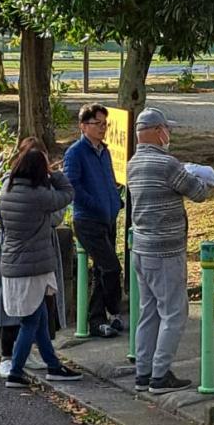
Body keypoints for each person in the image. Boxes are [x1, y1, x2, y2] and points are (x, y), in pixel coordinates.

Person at [127, 107, 214, 395]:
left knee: (148, 312)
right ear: (156, 131)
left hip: (141, 247)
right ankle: (160, 374)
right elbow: (199, 193)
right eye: (167, 129)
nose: (170, 135)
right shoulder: (167, 164)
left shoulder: (133, 163)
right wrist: (195, 173)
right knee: (174, 313)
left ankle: (143, 372)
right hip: (165, 250)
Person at [0, 142, 82, 389]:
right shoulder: (38, 195)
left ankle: (53, 365)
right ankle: (15, 371)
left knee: (41, 317)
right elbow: (68, 193)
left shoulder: (7, 190)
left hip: (11, 263)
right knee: (30, 322)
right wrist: (53, 173)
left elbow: (1, 222)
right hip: (33, 267)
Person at [63, 103, 123, 338]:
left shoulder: (105, 151)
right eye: (97, 124)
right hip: (88, 220)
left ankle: (98, 320)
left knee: (102, 270)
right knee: (110, 267)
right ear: (83, 126)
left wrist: (115, 201)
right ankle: (111, 310)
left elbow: (109, 180)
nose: (103, 128)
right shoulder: (75, 152)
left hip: (108, 218)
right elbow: (72, 186)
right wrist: (97, 204)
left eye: (105, 124)